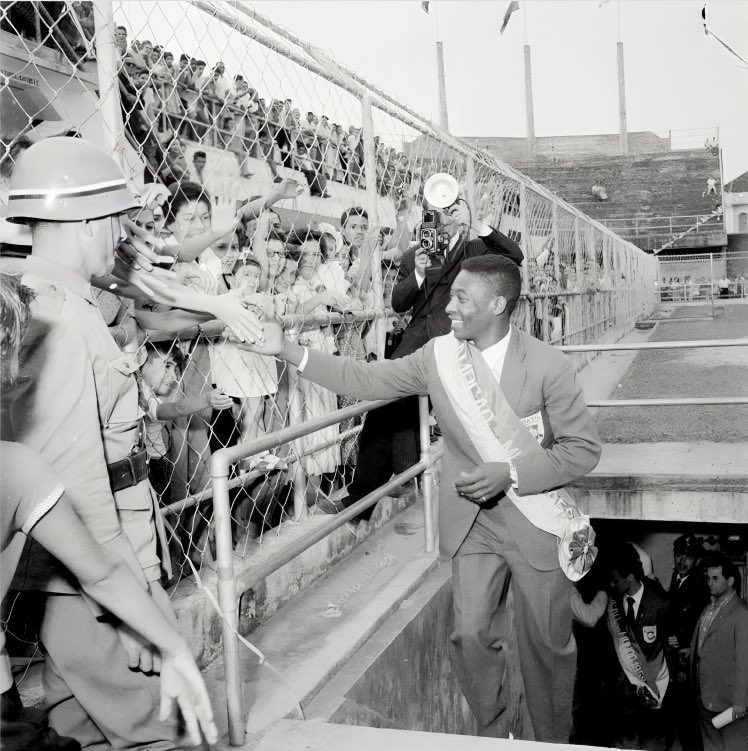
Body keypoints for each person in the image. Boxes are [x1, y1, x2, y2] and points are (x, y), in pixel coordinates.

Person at [242, 254, 601, 741]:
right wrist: (287, 349)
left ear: (497, 303)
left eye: (460, 297)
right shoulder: (439, 357)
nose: (448, 305)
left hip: (536, 523)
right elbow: (367, 379)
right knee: (471, 638)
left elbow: (582, 451)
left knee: (546, 648)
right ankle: (497, 731)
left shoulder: (547, 365)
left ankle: (552, 739)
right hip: (473, 520)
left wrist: (511, 471)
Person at [1, 138, 250, 749]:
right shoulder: (60, 323)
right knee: (170, 729)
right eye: (118, 219)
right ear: (90, 221)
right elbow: (79, 488)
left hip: (77, 575)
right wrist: (138, 611)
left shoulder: (44, 297)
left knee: (77, 726)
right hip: (90, 582)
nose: (125, 235)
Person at [0, 276, 217, 751]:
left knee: (77, 725)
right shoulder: (17, 469)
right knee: (162, 732)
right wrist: (161, 636)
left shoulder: (18, 468)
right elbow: (99, 572)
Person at [319, 200, 524, 521]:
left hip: (454, 347)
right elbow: (399, 302)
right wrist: (418, 271)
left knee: (397, 406)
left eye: (451, 213)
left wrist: (481, 224)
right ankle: (369, 496)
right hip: (415, 346)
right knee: (381, 410)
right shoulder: (416, 255)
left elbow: (515, 257)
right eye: (437, 217)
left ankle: (399, 477)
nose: (443, 222)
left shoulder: (473, 252)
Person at [606, 543, 676, 751]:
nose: (612, 584)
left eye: (615, 580)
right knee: (625, 744)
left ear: (629, 577)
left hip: (653, 693)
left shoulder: (660, 604)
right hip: (623, 696)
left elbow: (671, 649)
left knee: (653, 743)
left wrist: (662, 689)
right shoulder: (613, 606)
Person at [691, 555, 748, 751]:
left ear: (730, 581)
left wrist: (740, 703)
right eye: (708, 578)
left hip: (730, 702)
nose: (709, 583)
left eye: (715, 579)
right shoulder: (710, 607)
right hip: (705, 698)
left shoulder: (741, 614)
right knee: (711, 746)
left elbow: (745, 662)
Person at [665, 534, 710, 751]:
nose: (682, 560)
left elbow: (699, 626)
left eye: (689, 557)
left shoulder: (700, 586)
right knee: (677, 716)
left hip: (687, 661)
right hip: (674, 658)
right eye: (679, 554)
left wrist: (685, 661)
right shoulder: (677, 579)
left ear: (697, 560)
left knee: (687, 719)